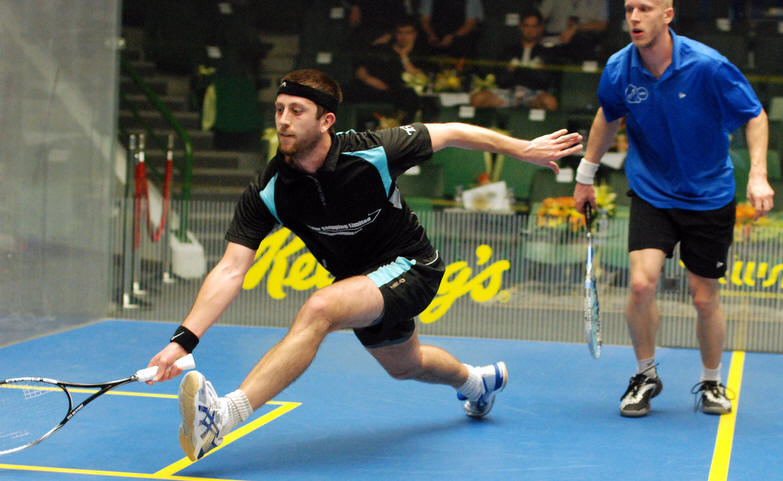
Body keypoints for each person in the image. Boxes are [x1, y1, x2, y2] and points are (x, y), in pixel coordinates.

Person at [146, 68, 583, 461]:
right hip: (361, 284)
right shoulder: (269, 189)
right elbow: (230, 269)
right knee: (406, 366)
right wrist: (183, 341)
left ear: (326, 121)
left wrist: (522, 149)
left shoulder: (373, 151)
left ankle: (223, 416)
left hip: (412, 266)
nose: (283, 120)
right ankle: (475, 381)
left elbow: (450, 131)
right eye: (279, 109)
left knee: (320, 309)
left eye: (296, 110)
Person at [572, 0, 774, 418]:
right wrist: (585, 175)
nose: (634, 17)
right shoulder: (619, 68)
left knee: (704, 298)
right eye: (629, 8)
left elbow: (755, 115)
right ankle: (645, 375)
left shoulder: (708, 65)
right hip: (652, 191)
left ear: (667, 15)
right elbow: (608, 115)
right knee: (641, 284)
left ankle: (712, 382)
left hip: (709, 195)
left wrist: (757, 174)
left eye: (644, 8)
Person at [470, 9, 559, 111]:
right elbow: (500, 79)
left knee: (550, 102)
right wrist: (510, 71)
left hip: (533, 94)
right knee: (478, 99)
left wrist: (525, 71)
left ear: (539, 28)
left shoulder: (546, 53)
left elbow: (546, 80)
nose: (529, 30)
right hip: (509, 93)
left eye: (534, 26)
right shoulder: (509, 51)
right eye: (526, 26)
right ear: (520, 27)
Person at [348, 16, 430, 122]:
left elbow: (419, 77)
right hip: (378, 90)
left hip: (402, 94)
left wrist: (403, 56)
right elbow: (360, 71)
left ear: (415, 34)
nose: (404, 37)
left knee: (410, 97)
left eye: (408, 33)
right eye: (400, 33)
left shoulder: (420, 53)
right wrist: (369, 79)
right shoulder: (383, 49)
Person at [537, 0, 608, 62]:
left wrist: (576, 28)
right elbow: (538, 18)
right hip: (554, 38)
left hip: (584, 40)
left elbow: (602, 24)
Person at [418, 0, 484, 58]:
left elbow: (470, 23)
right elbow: (424, 19)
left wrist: (453, 36)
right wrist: (430, 34)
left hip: (461, 44)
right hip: (434, 43)